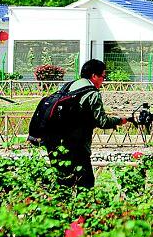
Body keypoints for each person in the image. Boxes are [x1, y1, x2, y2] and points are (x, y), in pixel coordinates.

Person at [47, 59, 128, 189]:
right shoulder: (92, 93)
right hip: (77, 146)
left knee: (63, 184)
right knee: (86, 183)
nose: (103, 80)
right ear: (94, 76)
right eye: (103, 76)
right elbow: (102, 121)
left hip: (54, 143)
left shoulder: (69, 86)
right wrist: (120, 120)